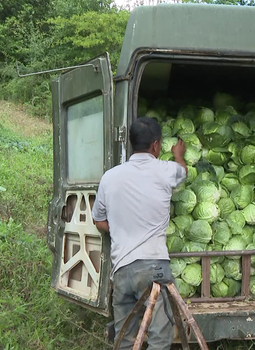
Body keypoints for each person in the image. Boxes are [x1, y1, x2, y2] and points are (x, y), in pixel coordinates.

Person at [91, 117, 188, 350]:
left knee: (124, 336)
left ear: (132, 143)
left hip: (122, 269)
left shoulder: (110, 177)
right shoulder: (166, 170)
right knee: (159, 336)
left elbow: (98, 220)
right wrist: (178, 154)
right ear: (156, 145)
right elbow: (183, 172)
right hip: (154, 268)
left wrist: (121, 227)